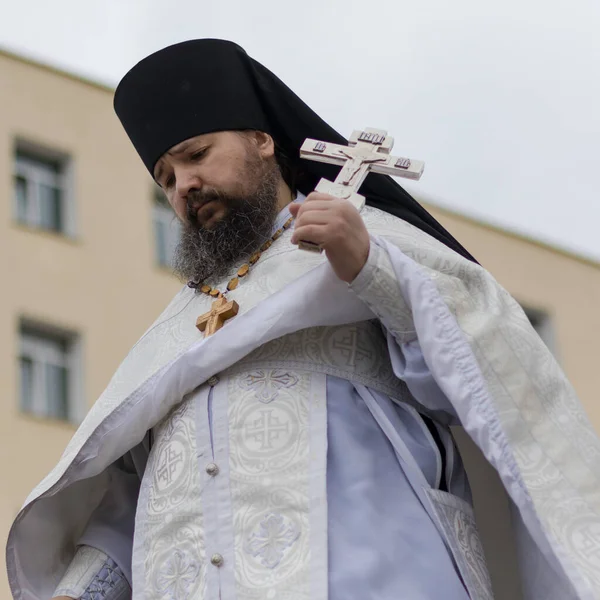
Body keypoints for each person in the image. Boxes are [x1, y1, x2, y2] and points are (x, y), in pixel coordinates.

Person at [6, 39, 600, 600]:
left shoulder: (369, 245)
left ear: (262, 140)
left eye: (196, 155)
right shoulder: (177, 324)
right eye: (165, 178)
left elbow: (471, 387)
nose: (184, 185)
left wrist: (370, 268)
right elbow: (133, 492)